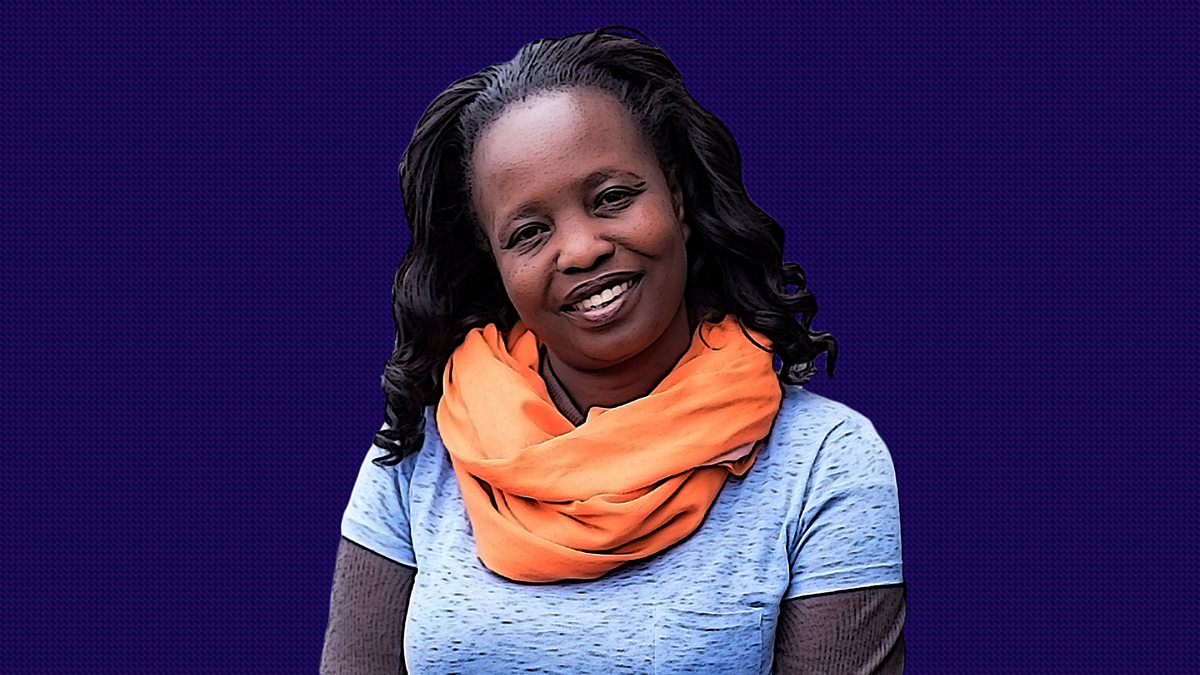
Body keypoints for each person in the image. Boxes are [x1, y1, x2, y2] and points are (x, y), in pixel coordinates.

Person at [321, 27, 905, 674]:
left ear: (677, 196)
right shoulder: (421, 450)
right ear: (495, 262)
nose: (580, 249)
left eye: (613, 198)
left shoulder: (823, 461)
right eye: (528, 231)